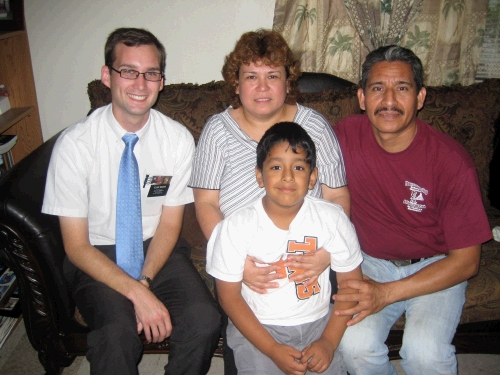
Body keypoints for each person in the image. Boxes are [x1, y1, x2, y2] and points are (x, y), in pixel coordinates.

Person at [41, 28, 221, 375]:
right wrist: (138, 295)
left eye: (150, 73)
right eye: (128, 71)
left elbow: (170, 224)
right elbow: (76, 247)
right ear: (107, 76)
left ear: (161, 81)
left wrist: (145, 282)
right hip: (96, 252)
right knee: (115, 335)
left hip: (157, 248)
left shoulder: (177, 140)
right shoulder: (75, 146)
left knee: (204, 319)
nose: (140, 84)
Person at [188, 29, 350, 374]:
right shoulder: (217, 132)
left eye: (272, 76)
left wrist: (327, 255)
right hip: (245, 261)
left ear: (288, 82)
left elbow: (336, 195)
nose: (262, 87)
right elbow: (205, 203)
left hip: (311, 259)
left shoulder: (316, 128)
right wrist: (237, 262)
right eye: (251, 77)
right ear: (236, 84)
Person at [331, 45, 493, 375]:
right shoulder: (343, 136)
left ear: (420, 97)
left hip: (436, 266)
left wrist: (387, 293)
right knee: (354, 347)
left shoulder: (451, 162)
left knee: (425, 354)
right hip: (369, 260)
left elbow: (466, 261)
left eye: (402, 88)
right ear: (362, 98)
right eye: (378, 88)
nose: (389, 101)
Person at [207, 122, 363, 375]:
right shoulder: (235, 226)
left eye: (299, 167)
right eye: (276, 167)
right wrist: (272, 348)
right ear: (259, 175)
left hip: (320, 323)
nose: (288, 176)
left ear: (313, 177)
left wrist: (329, 342)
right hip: (258, 328)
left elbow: (350, 285)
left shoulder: (333, 219)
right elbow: (229, 297)